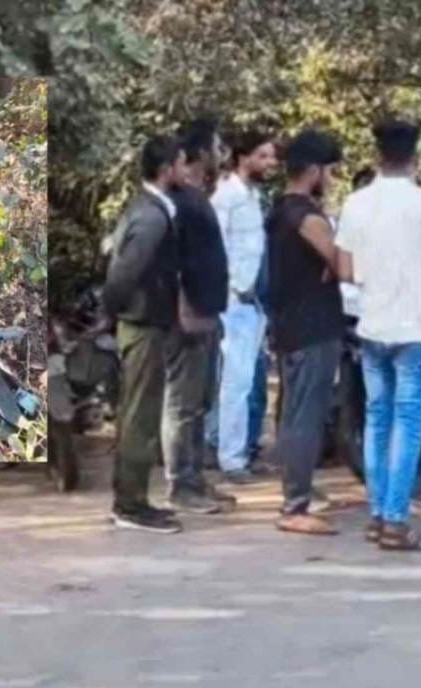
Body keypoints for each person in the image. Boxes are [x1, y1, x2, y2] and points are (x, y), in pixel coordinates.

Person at [336, 120, 421, 551]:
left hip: (372, 324)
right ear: (415, 157)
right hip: (416, 325)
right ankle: (396, 520)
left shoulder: (355, 203)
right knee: (408, 420)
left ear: (376, 156)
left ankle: (378, 512)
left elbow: (345, 268)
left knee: (377, 418)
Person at [101, 135, 185, 533]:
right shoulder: (151, 216)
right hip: (142, 324)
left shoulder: (147, 208)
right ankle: (129, 505)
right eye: (181, 164)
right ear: (167, 169)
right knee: (139, 416)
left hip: (142, 322)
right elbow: (124, 274)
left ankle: (134, 499)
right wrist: (114, 310)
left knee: (140, 413)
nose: (186, 171)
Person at [266, 128, 346, 535]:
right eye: (330, 171)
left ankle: (299, 491)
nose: (332, 180)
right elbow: (345, 265)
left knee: (295, 411)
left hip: (290, 322)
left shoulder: (280, 210)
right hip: (313, 325)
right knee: (306, 416)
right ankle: (295, 504)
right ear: (314, 171)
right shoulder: (308, 218)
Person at [163, 119, 237, 514]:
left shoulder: (196, 197)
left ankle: (195, 478)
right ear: (202, 151)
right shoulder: (177, 200)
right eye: (218, 146)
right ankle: (180, 484)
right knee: (182, 404)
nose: (222, 155)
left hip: (207, 313)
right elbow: (170, 261)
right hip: (187, 317)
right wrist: (183, 309)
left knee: (200, 402)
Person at [212, 129, 279, 484]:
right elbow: (215, 248)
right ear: (244, 157)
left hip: (254, 304)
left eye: (272, 156)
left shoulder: (253, 196)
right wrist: (235, 289)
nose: (271, 163)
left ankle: (241, 451)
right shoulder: (226, 197)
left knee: (248, 382)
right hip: (235, 303)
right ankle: (231, 459)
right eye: (263, 156)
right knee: (235, 384)